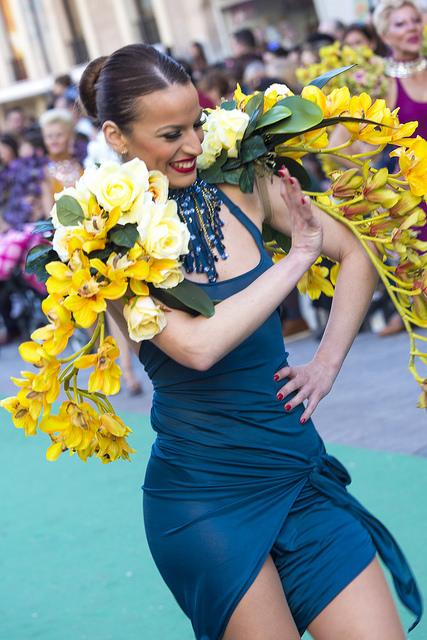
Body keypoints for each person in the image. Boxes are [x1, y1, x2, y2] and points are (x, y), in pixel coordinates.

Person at [79, 44, 422, 640]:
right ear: (117, 136)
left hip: (298, 472)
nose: (192, 144)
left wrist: (327, 361)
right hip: (204, 500)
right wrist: (298, 261)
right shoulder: (102, 236)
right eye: (170, 133)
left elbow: (358, 251)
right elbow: (198, 347)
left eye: (196, 123)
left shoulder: (244, 182)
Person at [372, 0, 427, 335]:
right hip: (414, 191)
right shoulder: (380, 81)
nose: (411, 28)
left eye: (415, 21)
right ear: (385, 35)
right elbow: (353, 140)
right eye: (400, 24)